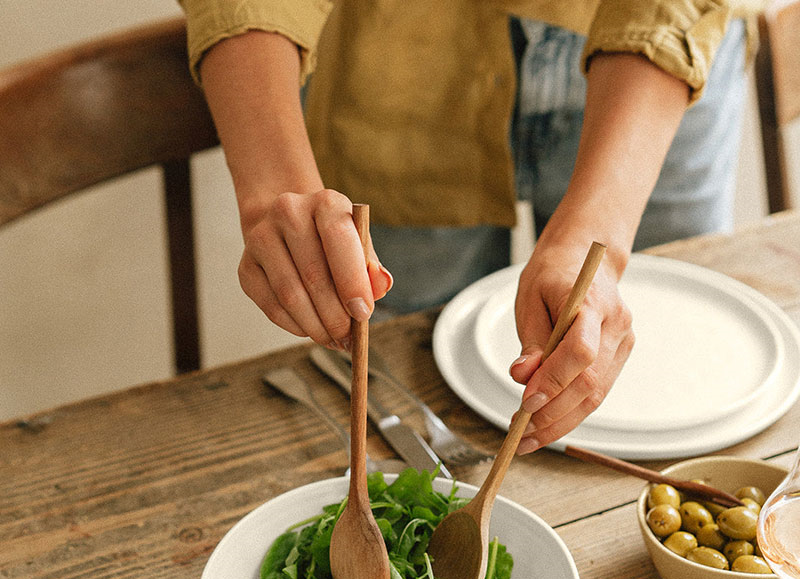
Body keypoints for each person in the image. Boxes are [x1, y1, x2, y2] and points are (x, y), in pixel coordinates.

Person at [178, 0, 756, 453]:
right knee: (402, 382)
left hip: (658, 62)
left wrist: (598, 233)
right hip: (393, 56)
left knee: (668, 377)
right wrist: (271, 179)